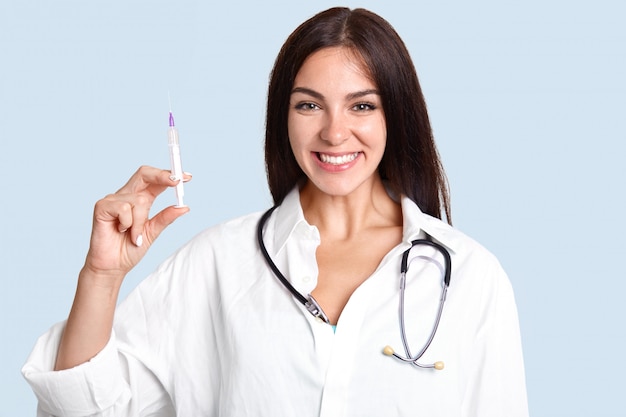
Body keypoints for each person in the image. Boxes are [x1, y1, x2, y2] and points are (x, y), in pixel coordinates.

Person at [22, 7, 528, 417]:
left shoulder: (470, 277)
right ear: (282, 117)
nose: (333, 133)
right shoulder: (218, 264)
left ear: (396, 112)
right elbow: (82, 407)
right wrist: (102, 276)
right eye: (309, 105)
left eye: (361, 106)